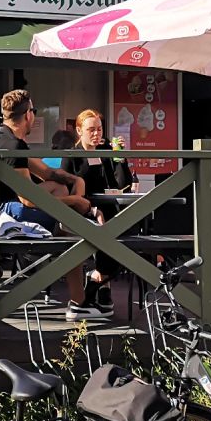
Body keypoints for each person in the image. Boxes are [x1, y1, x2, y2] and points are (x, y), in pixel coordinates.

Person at [0, 89, 96, 318]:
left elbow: (46, 172)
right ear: (29, 115)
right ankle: (79, 300)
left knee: (62, 195)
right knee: (73, 230)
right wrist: (76, 200)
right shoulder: (14, 146)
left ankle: (79, 300)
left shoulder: (4, 138)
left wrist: (75, 179)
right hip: (4, 215)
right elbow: (28, 199)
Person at [64, 109, 134, 308]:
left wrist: (120, 158)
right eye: (91, 130)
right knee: (107, 235)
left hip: (109, 211)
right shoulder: (72, 156)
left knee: (128, 240)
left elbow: (121, 184)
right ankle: (100, 287)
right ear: (79, 131)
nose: (97, 134)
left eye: (100, 129)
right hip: (82, 213)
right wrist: (92, 211)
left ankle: (97, 279)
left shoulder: (105, 153)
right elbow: (67, 192)